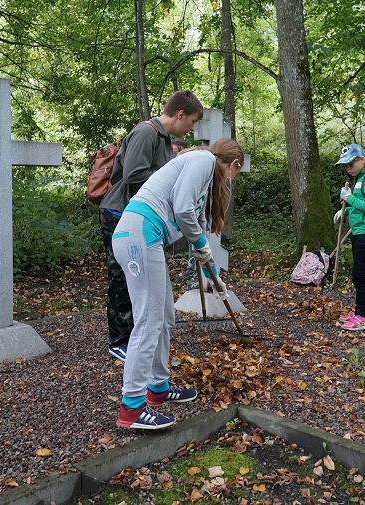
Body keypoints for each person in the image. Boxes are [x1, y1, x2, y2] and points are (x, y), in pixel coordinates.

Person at [112, 138, 244, 429]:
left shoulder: (201, 173)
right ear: (235, 164)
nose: (230, 182)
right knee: (148, 321)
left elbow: (192, 213)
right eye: (236, 174)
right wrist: (199, 242)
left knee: (164, 318)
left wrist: (209, 266)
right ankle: (131, 408)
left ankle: (158, 388)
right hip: (139, 235)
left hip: (146, 238)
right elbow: (183, 210)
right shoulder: (205, 161)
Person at [99, 90, 204, 361]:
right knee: (122, 275)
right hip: (119, 210)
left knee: (139, 278)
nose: (191, 128)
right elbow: (135, 175)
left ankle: (137, 335)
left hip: (138, 215)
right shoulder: (146, 133)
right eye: (191, 122)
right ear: (180, 114)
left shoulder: (161, 136)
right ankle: (119, 340)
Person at [333, 144, 365, 331]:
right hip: (359, 231)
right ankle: (361, 311)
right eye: (345, 165)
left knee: (359, 274)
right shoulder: (360, 178)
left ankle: (363, 317)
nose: (347, 168)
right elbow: (361, 205)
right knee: (360, 273)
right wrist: (345, 211)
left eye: (351, 163)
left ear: (361, 160)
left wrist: (349, 198)